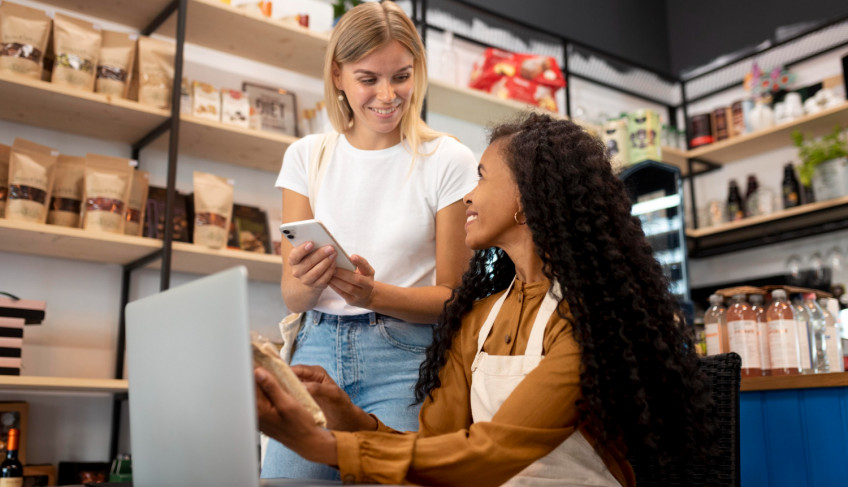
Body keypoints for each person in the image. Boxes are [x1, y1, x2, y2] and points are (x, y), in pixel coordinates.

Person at [256, 112, 715, 485]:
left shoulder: (583, 320)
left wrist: (320, 445)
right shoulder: (479, 318)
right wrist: (344, 412)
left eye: (480, 177)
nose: (468, 196)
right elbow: (437, 444)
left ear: (525, 198)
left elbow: (491, 454)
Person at [265, 1, 478, 480]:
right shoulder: (306, 157)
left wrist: (373, 294)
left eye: (401, 76)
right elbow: (291, 294)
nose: (387, 95)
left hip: (406, 357)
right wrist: (309, 280)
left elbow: (454, 299)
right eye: (368, 79)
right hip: (315, 348)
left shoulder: (447, 159)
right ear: (338, 76)